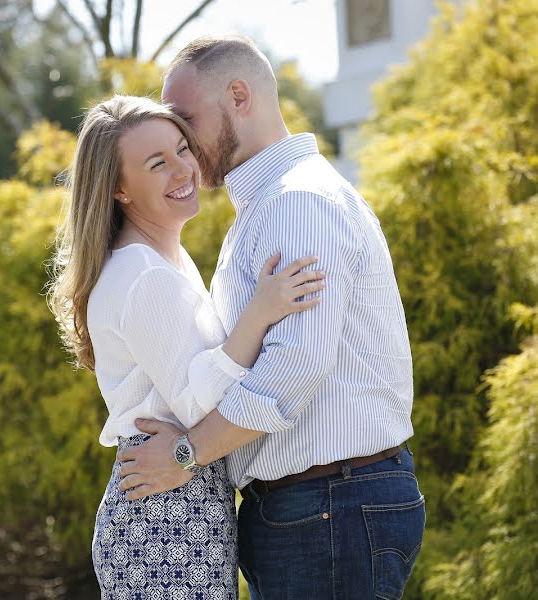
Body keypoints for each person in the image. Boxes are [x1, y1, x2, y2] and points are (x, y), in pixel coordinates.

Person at [115, 35, 426, 599]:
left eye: (186, 119)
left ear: (238, 96)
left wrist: (185, 454)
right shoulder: (265, 209)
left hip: (329, 505)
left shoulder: (296, 203)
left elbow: (294, 367)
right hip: (312, 509)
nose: (181, 141)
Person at [47, 94, 326, 599]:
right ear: (119, 189)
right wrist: (259, 314)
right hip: (166, 512)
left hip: (180, 497)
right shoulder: (141, 273)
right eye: (158, 163)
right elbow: (195, 403)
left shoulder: (162, 261)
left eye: (182, 149)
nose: (184, 169)